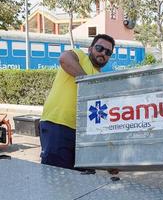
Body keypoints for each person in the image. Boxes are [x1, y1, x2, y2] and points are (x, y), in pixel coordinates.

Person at [40, 34, 115, 170]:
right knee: (54, 177)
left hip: (85, 136)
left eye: (108, 52)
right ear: (90, 48)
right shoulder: (80, 56)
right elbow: (64, 58)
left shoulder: (103, 79)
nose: (103, 53)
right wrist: (87, 81)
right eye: (99, 48)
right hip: (58, 125)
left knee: (81, 183)